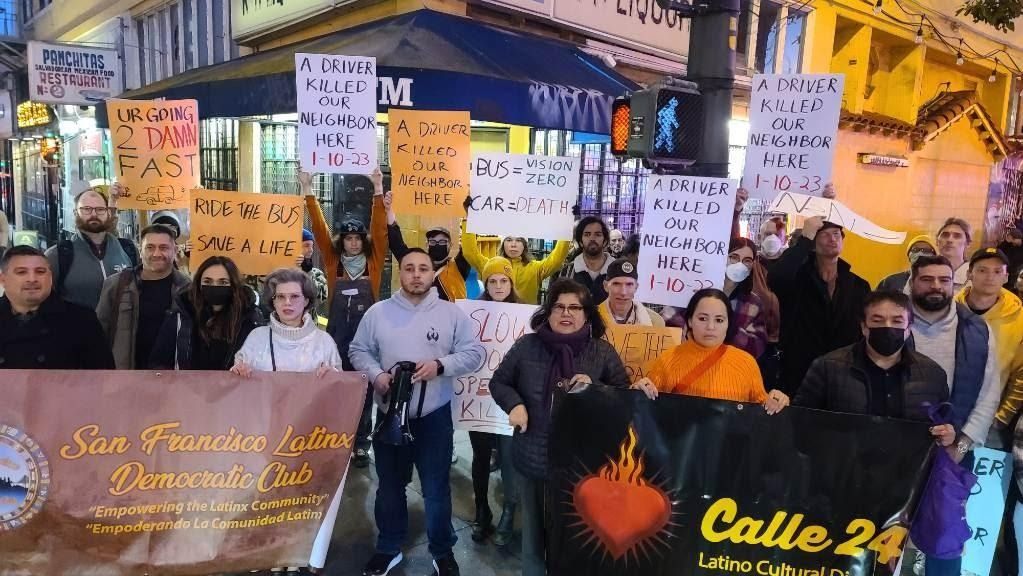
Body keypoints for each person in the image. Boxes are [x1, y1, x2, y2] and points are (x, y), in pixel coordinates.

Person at [349, 248, 484, 576]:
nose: (416, 274)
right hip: (390, 414)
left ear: (432, 272)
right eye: (409, 268)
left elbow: (475, 353)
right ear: (401, 272)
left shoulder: (451, 315)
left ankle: (442, 551)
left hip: (433, 416)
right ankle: (388, 546)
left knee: (436, 486)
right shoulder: (378, 313)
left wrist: (441, 365)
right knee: (390, 485)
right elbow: (358, 350)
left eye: (423, 268)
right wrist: (377, 376)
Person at [489, 278, 630, 576]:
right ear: (548, 311)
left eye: (575, 308)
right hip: (533, 458)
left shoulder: (601, 352)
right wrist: (514, 405)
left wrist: (596, 388)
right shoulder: (527, 346)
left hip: (585, 467)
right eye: (559, 306)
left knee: (577, 537)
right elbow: (499, 382)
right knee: (533, 536)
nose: (566, 313)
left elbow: (623, 396)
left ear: (587, 314)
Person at [230, 267, 343, 574]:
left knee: (300, 499)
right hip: (264, 435)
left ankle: (294, 554)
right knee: (265, 498)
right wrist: (238, 374)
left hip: (308, 438)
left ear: (307, 301)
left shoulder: (324, 342)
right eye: (280, 297)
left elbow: (340, 397)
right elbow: (235, 390)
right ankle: (267, 554)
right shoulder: (255, 338)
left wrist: (334, 380)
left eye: (295, 296)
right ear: (272, 301)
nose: (287, 303)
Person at [907, 253, 1002, 575]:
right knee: (884, 537)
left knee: (945, 542)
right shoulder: (894, 320)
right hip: (895, 450)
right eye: (927, 279)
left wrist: (960, 447)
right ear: (912, 281)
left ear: (955, 284)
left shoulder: (977, 329)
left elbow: (989, 393)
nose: (936, 286)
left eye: (944, 280)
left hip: (955, 451)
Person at [302, 169, 388, 468]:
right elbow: (320, 228)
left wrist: (377, 187)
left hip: (367, 340)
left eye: (357, 238)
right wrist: (308, 189)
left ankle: (361, 443)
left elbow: (380, 228)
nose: (353, 243)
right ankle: (335, 441)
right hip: (335, 338)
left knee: (362, 390)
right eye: (348, 238)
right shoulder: (332, 261)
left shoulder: (374, 263)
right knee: (335, 389)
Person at [795, 291, 952, 424]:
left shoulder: (932, 374)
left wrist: (948, 436)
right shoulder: (827, 368)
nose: (888, 327)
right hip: (845, 459)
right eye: (878, 320)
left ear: (909, 329)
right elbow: (800, 420)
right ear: (864, 327)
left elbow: (943, 424)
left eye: (897, 321)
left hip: (908, 461)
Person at [632, 288, 788, 412]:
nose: (711, 327)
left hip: (727, 449)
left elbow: (762, 408)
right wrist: (637, 392)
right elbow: (646, 409)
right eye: (702, 318)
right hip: (678, 449)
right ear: (690, 320)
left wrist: (776, 400)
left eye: (719, 320)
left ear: (728, 323)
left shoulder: (746, 363)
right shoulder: (668, 359)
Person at [768, 216, 870, 395]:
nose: (832, 239)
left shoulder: (858, 285)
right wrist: (805, 239)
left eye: (837, 234)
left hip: (845, 373)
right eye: (825, 235)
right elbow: (777, 277)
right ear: (813, 242)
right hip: (799, 371)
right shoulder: (797, 278)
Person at [466, 257, 522, 547]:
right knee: (480, 458)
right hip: (478, 401)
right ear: (485, 284)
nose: (499, 286)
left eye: (504, 280)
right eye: (493, 281)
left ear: (512, 283)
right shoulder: (472, 314)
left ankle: (509, 513)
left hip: (513, 402)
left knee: (511, 459)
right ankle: (481, 511)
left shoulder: (527, 316)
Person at [0, 245, 114, 369]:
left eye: (40, 272)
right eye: (21, 272)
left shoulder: (82, 320)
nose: (32, 279)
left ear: (50, 278)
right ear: (3, 280)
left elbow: (103, 377)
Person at [96, 224, 191, 370]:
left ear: (175, 251)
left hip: (173, 377)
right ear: (140, 251)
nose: (157, 253)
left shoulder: (188, 289)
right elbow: (100, 333)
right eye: (150, 247)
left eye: (164, 248)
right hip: (126, 376)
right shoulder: (117, 284)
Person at [149, 255, 263, 370]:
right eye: (207, 281)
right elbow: (159, 363)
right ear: (198, 284)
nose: (214, 286)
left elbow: (262, 364)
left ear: (234, 285)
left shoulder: (251, 319)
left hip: (235, 387)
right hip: (188, 386)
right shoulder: (180, 315)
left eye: (223, 282)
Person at [460, 198, 571, 305]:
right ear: (503, 244)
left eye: (518, 240)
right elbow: (470, 252)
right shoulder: (490, 266)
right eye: (509, 240)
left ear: (525, 246)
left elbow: (557, 259)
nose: (513, 244)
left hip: (524, 321)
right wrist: (468, 218)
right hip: (493, 317)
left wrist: (567, 224)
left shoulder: (536, 268)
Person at [45, 186, 139, 310]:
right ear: (75, 213)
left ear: (107, 212)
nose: (94, 214)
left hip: (121, 328)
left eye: (100, 209)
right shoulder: (57, 256)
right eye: (86, 209)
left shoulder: (128, 249)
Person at [955, 248, 1023, 387]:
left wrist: (1006, 409)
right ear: (969, 274)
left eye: (997, 272)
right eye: (982, 270)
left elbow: (1020, 373)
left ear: (1006, 277)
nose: (990, 277)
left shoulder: (1018, 318)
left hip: (994, 403)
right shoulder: (950, 311)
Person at [387, 196, 470, 302]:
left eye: (442, 242)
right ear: (427, 245)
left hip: (450, 318)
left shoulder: (458, 267)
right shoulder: (417, 264)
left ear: (451, 244)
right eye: (433, 242)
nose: (437, 245)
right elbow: (397, 245)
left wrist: (469, 215)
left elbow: (468, 248)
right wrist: (389, 210)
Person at [721, 237, 768, 359]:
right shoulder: (698, 292)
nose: (739, 264)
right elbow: (670, 325)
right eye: (734, 257)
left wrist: (730, 327)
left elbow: (757, 347)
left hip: (730, 370)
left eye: (747, 260)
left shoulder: (754, 303)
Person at [558, 216, 613, 304]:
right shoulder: (567, 272)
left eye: (598, 234)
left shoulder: (618, 271)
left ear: (605, 241)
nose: (592, 238)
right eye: (587, 234)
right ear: (580, 242)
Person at [598, 258, 665, 327]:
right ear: (606, 286)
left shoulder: (655, 322)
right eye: (616, 284)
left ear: (636, 287)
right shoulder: (591, 319)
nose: (623, 292)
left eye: (629, 284)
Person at [298, 227, 329, 308]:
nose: (311, 250)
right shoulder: (279, 272)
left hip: (308, 319)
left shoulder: (317, 273)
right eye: (306, 245)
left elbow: (318, 301)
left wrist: (307, 272)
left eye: (312, 246)